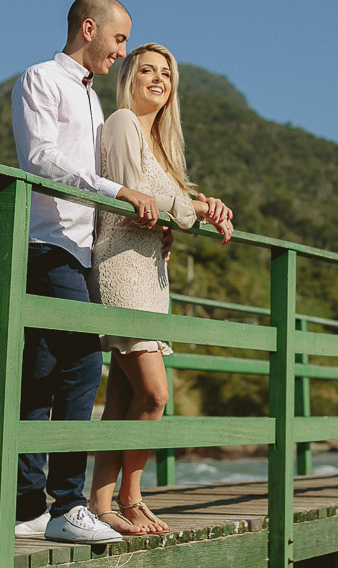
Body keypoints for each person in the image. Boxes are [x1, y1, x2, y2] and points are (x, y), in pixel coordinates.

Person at [11, 0, 165, 545]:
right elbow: (42, 160)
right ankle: (65, 504)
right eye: (120, 40)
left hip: (82, 250)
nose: (122, 53)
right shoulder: (40, 79)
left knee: (50, 371)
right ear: (90, 27)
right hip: (47, 243)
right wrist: (117, 190)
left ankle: (30, 505)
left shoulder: (94, 99)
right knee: (76, 364)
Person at [86, 43, 234, 535]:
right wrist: (191, 210)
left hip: (151, 275)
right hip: (121, 266)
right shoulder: (123, 121)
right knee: (154, 394)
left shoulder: (164, 146)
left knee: (124, 399)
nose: (157, 79)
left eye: (165, 74)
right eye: (146, 69)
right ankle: (131, 498)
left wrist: (200, 201)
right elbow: (135, 191)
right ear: (128, 78)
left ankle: (102, 503)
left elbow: (169, 199)